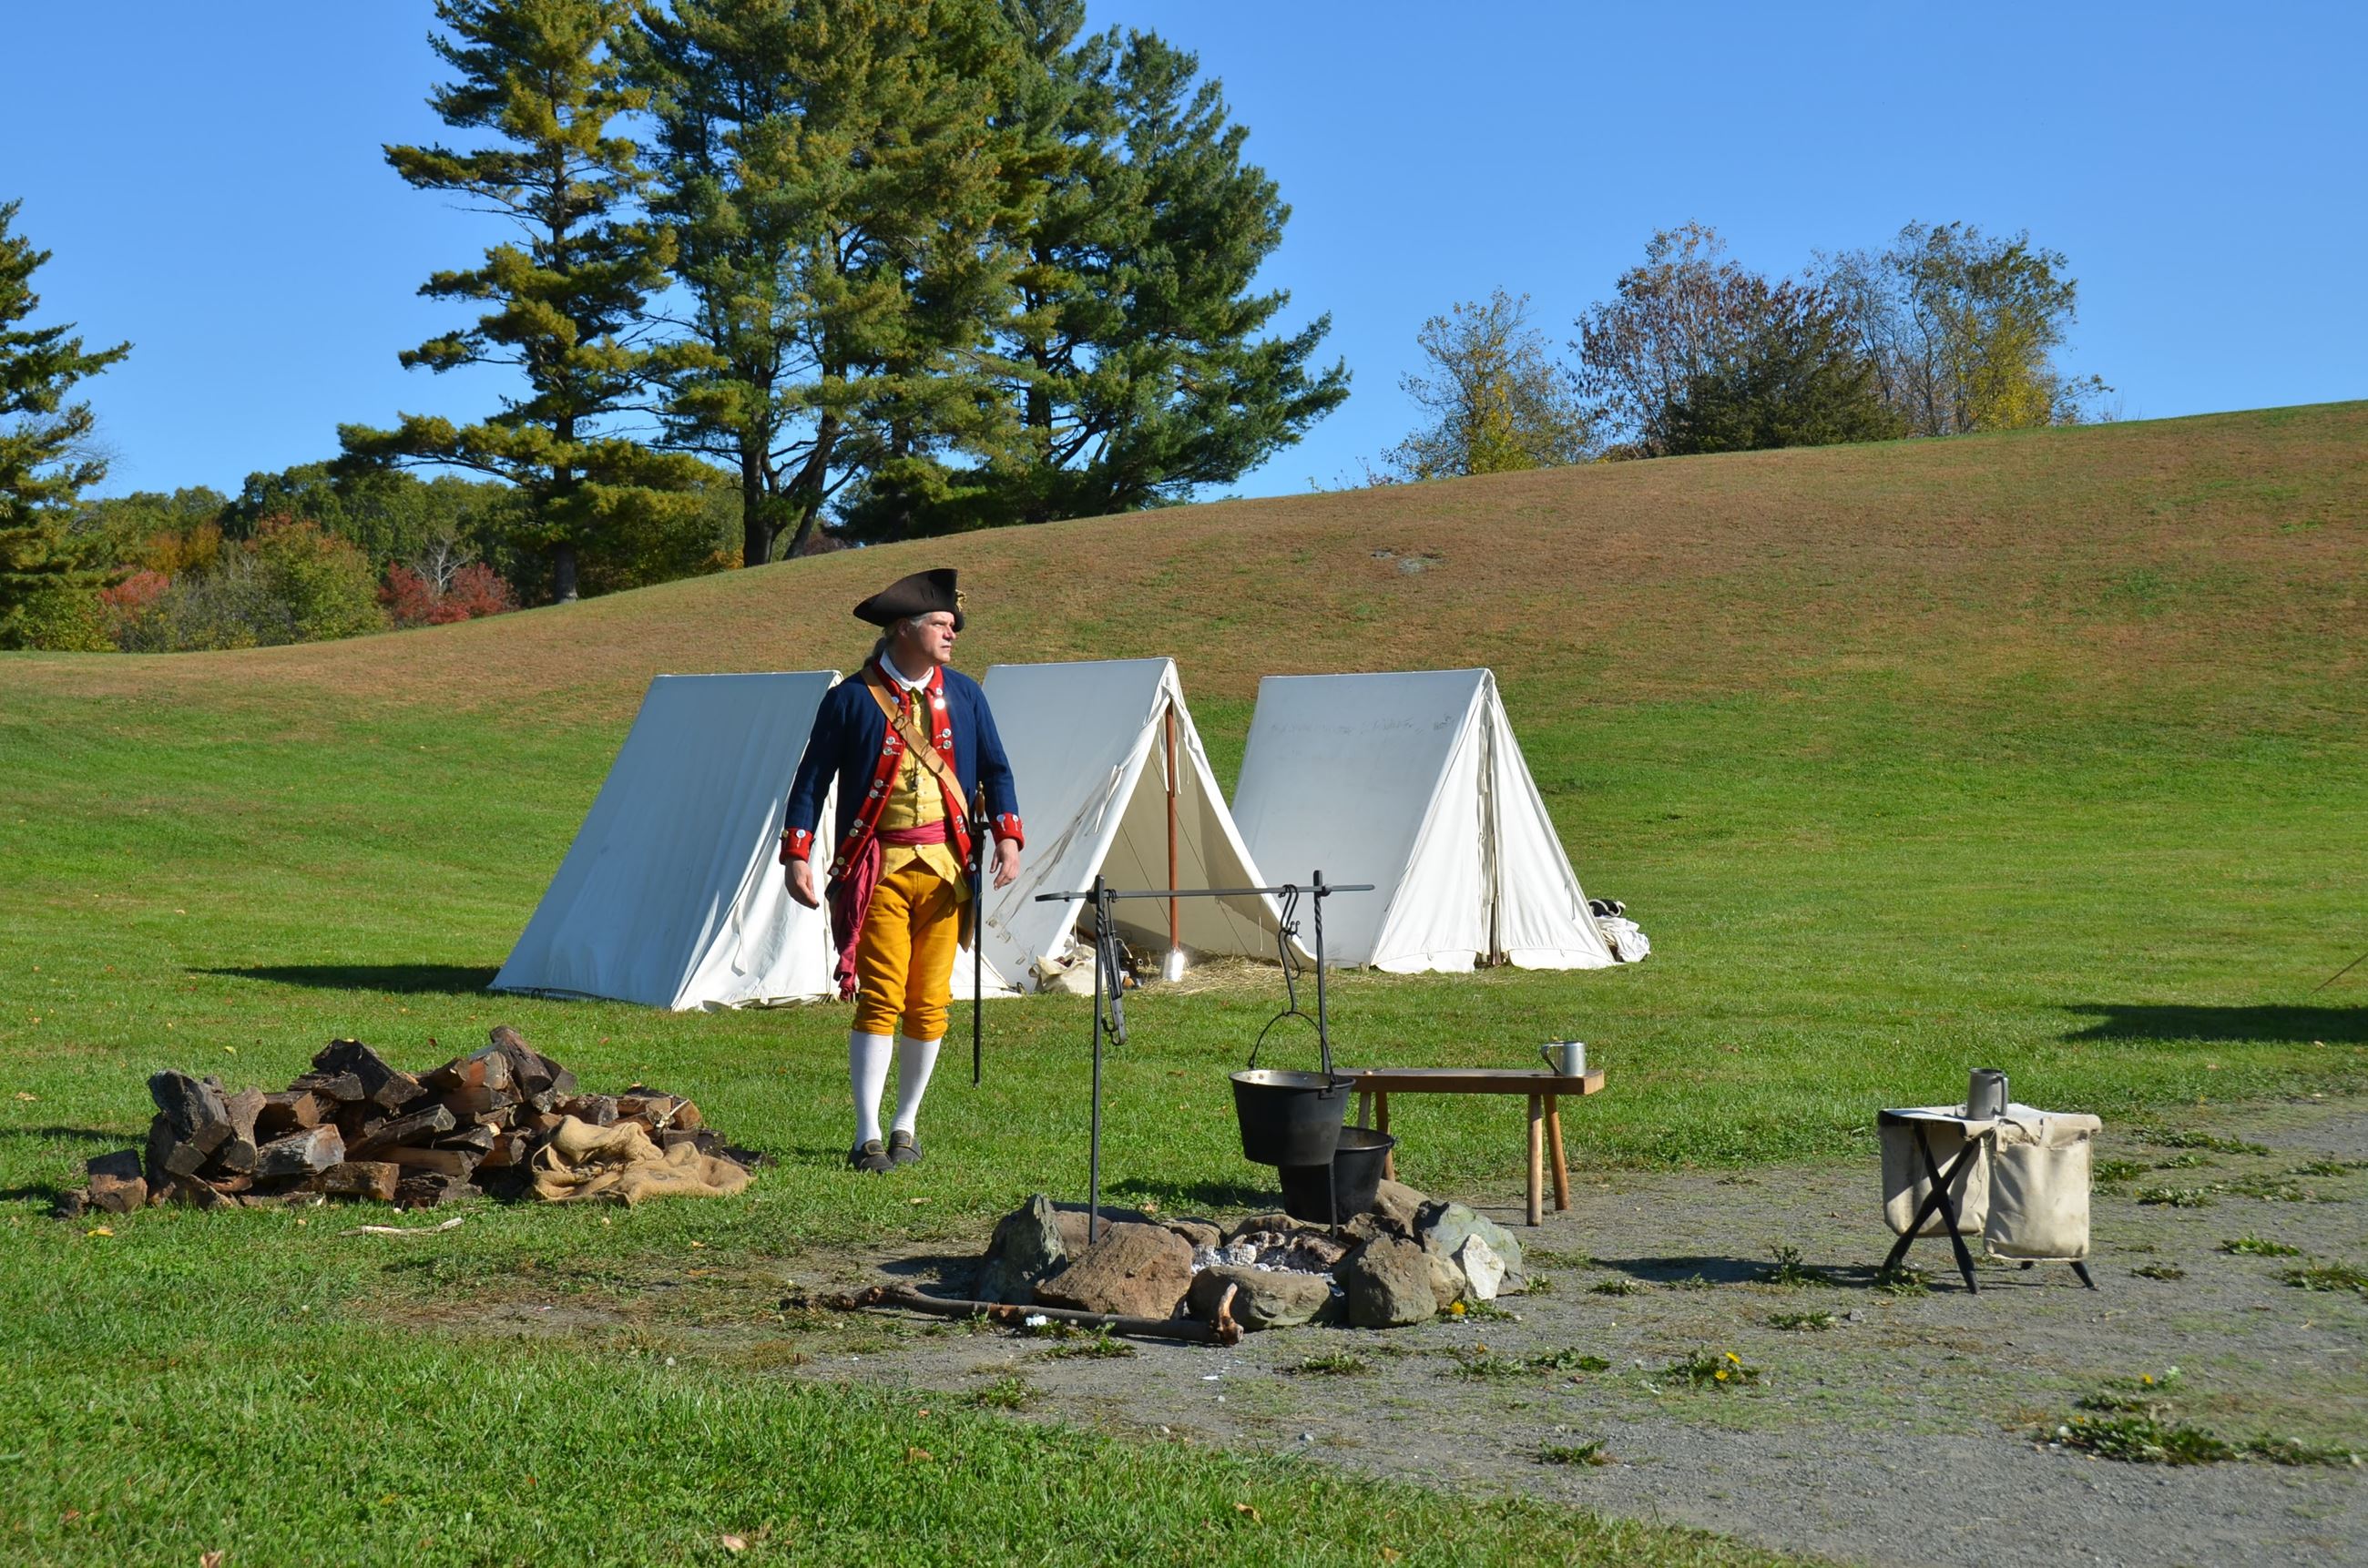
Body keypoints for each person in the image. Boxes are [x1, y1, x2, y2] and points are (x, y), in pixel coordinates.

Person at [781, 568, 1023, 1173]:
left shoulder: (966, 695)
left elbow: (996, 770)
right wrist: (797, 854)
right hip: (879, 869)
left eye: (952, 625)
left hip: (947, 875)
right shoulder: (850, 699)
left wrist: (1007, 836)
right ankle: (867, 1135)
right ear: (903, 629)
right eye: (941, 623)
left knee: (930, 1002)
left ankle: (905, 1127)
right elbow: (811, 781)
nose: (952, 633)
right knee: (881, 997)